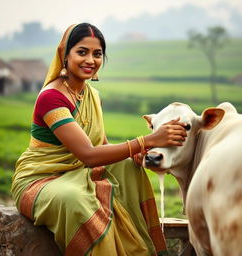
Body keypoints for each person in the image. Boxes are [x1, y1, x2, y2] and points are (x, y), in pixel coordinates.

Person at [11, 23, 187, 256]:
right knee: (76, 199)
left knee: (129, 167)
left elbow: (101, 146)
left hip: (78, 172)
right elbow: (88, 155)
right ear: (65, 54)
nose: (90, 60)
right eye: (82, 52)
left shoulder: (92, 96)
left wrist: (135, 152)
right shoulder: (51, 98)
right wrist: (148, 140)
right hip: (40, 179)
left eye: (97, 54)